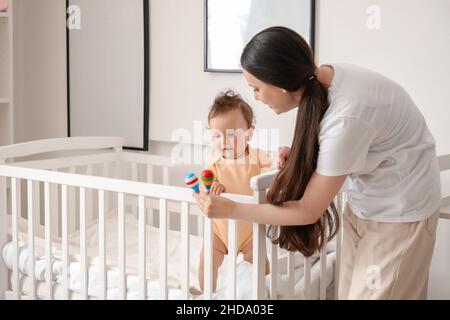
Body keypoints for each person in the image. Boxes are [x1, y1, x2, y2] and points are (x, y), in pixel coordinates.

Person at [193, 26, 441, 299]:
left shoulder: (346, 114)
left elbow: (307, 210)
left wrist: (231, 209)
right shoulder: (323, 79)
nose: (256, 97)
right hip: (365, 205)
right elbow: (346, 145)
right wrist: (305, 157)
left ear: (281, 85)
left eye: (256, 88)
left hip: (399, 214)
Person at [198, 90, 272, 292]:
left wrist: (280, 168)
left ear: (249, 132)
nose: (223, 142)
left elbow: (272, 176)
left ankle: (259, 293)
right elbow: (207, 186)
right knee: (207, 258)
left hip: (249, 230)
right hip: (221, 230)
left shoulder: (259, 157)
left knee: (259, 263)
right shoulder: (213, 161)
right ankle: (208, 294)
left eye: (231, 135)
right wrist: (213, 187)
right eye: (216, 136)